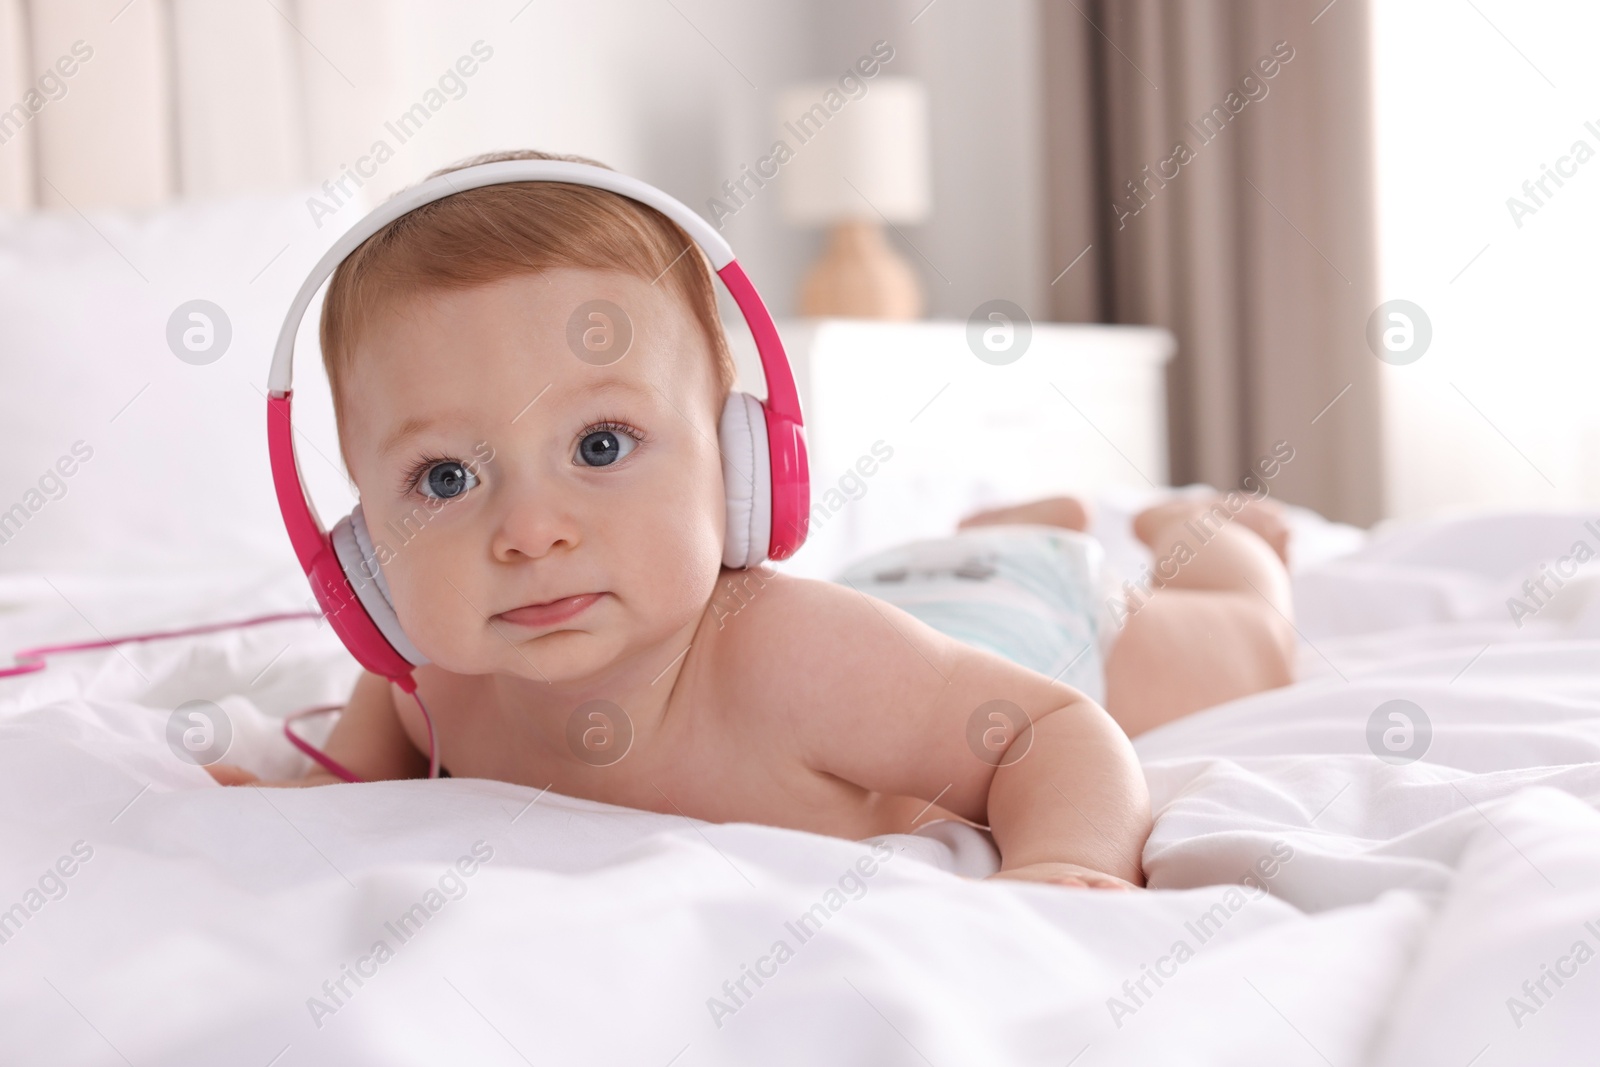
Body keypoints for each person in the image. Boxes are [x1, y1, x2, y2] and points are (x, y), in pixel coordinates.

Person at [208, 150, 1297, 892]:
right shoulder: (432, 682)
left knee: (1247, 644)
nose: (529, 531)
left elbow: (1055, 734)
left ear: (741, 462)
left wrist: (1060, 865)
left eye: (599, 446)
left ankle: (1215, 537)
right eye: (443, 478)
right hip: (911, 599)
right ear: (358, 550)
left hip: (1032, 622)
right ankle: (998, 525)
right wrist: (303, 791)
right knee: (931, 584)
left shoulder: (799, 657)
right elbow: (374, 745)